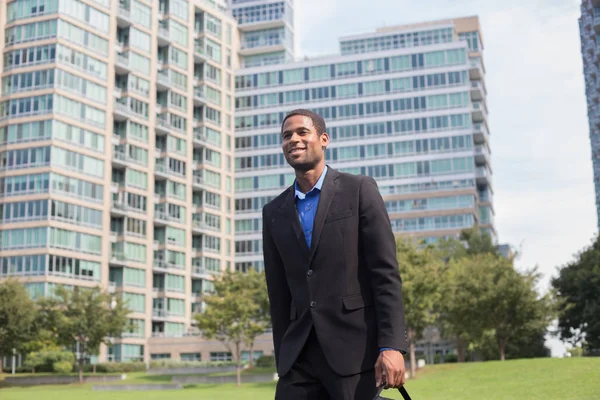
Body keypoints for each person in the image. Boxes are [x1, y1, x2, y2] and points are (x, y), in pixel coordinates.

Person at [262, 109, 408, 399]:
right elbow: (278, 294)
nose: (294, 139)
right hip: (299, 358)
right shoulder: (273, 213)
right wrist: (283, 358)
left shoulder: (359, 190)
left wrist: (391, 345)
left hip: (353, 352)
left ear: (323, 139)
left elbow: (385, 274)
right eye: (286, 135)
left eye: (302, 132)